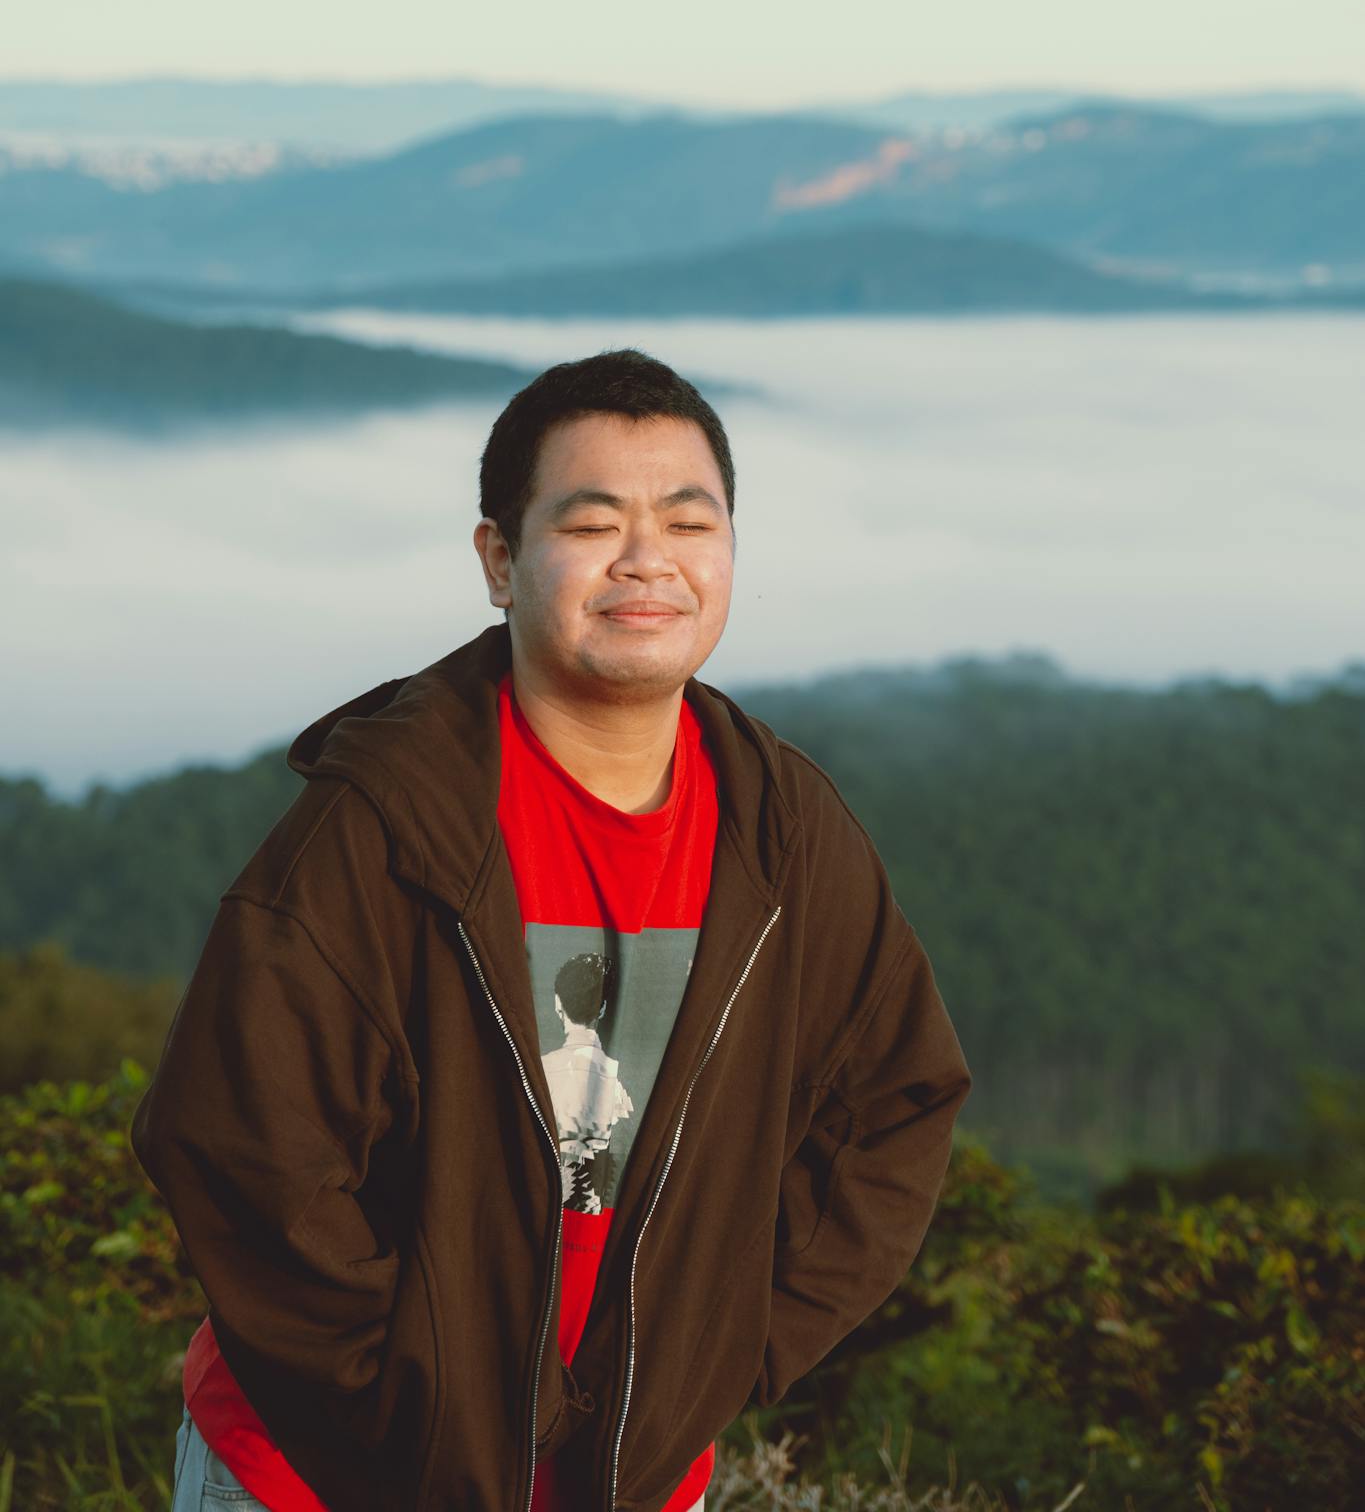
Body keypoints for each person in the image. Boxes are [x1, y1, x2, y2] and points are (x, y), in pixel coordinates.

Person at [130, 347, 972, 1512]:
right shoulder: (387, 823)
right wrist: (398, 1404)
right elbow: (239, 1143)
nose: (648, 559)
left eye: (689, 520)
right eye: (591, 522)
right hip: (332, 1476)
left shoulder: (781, 831)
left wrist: (735, 1344)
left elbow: (897, 1093)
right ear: (499, 559)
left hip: (628, 1476)